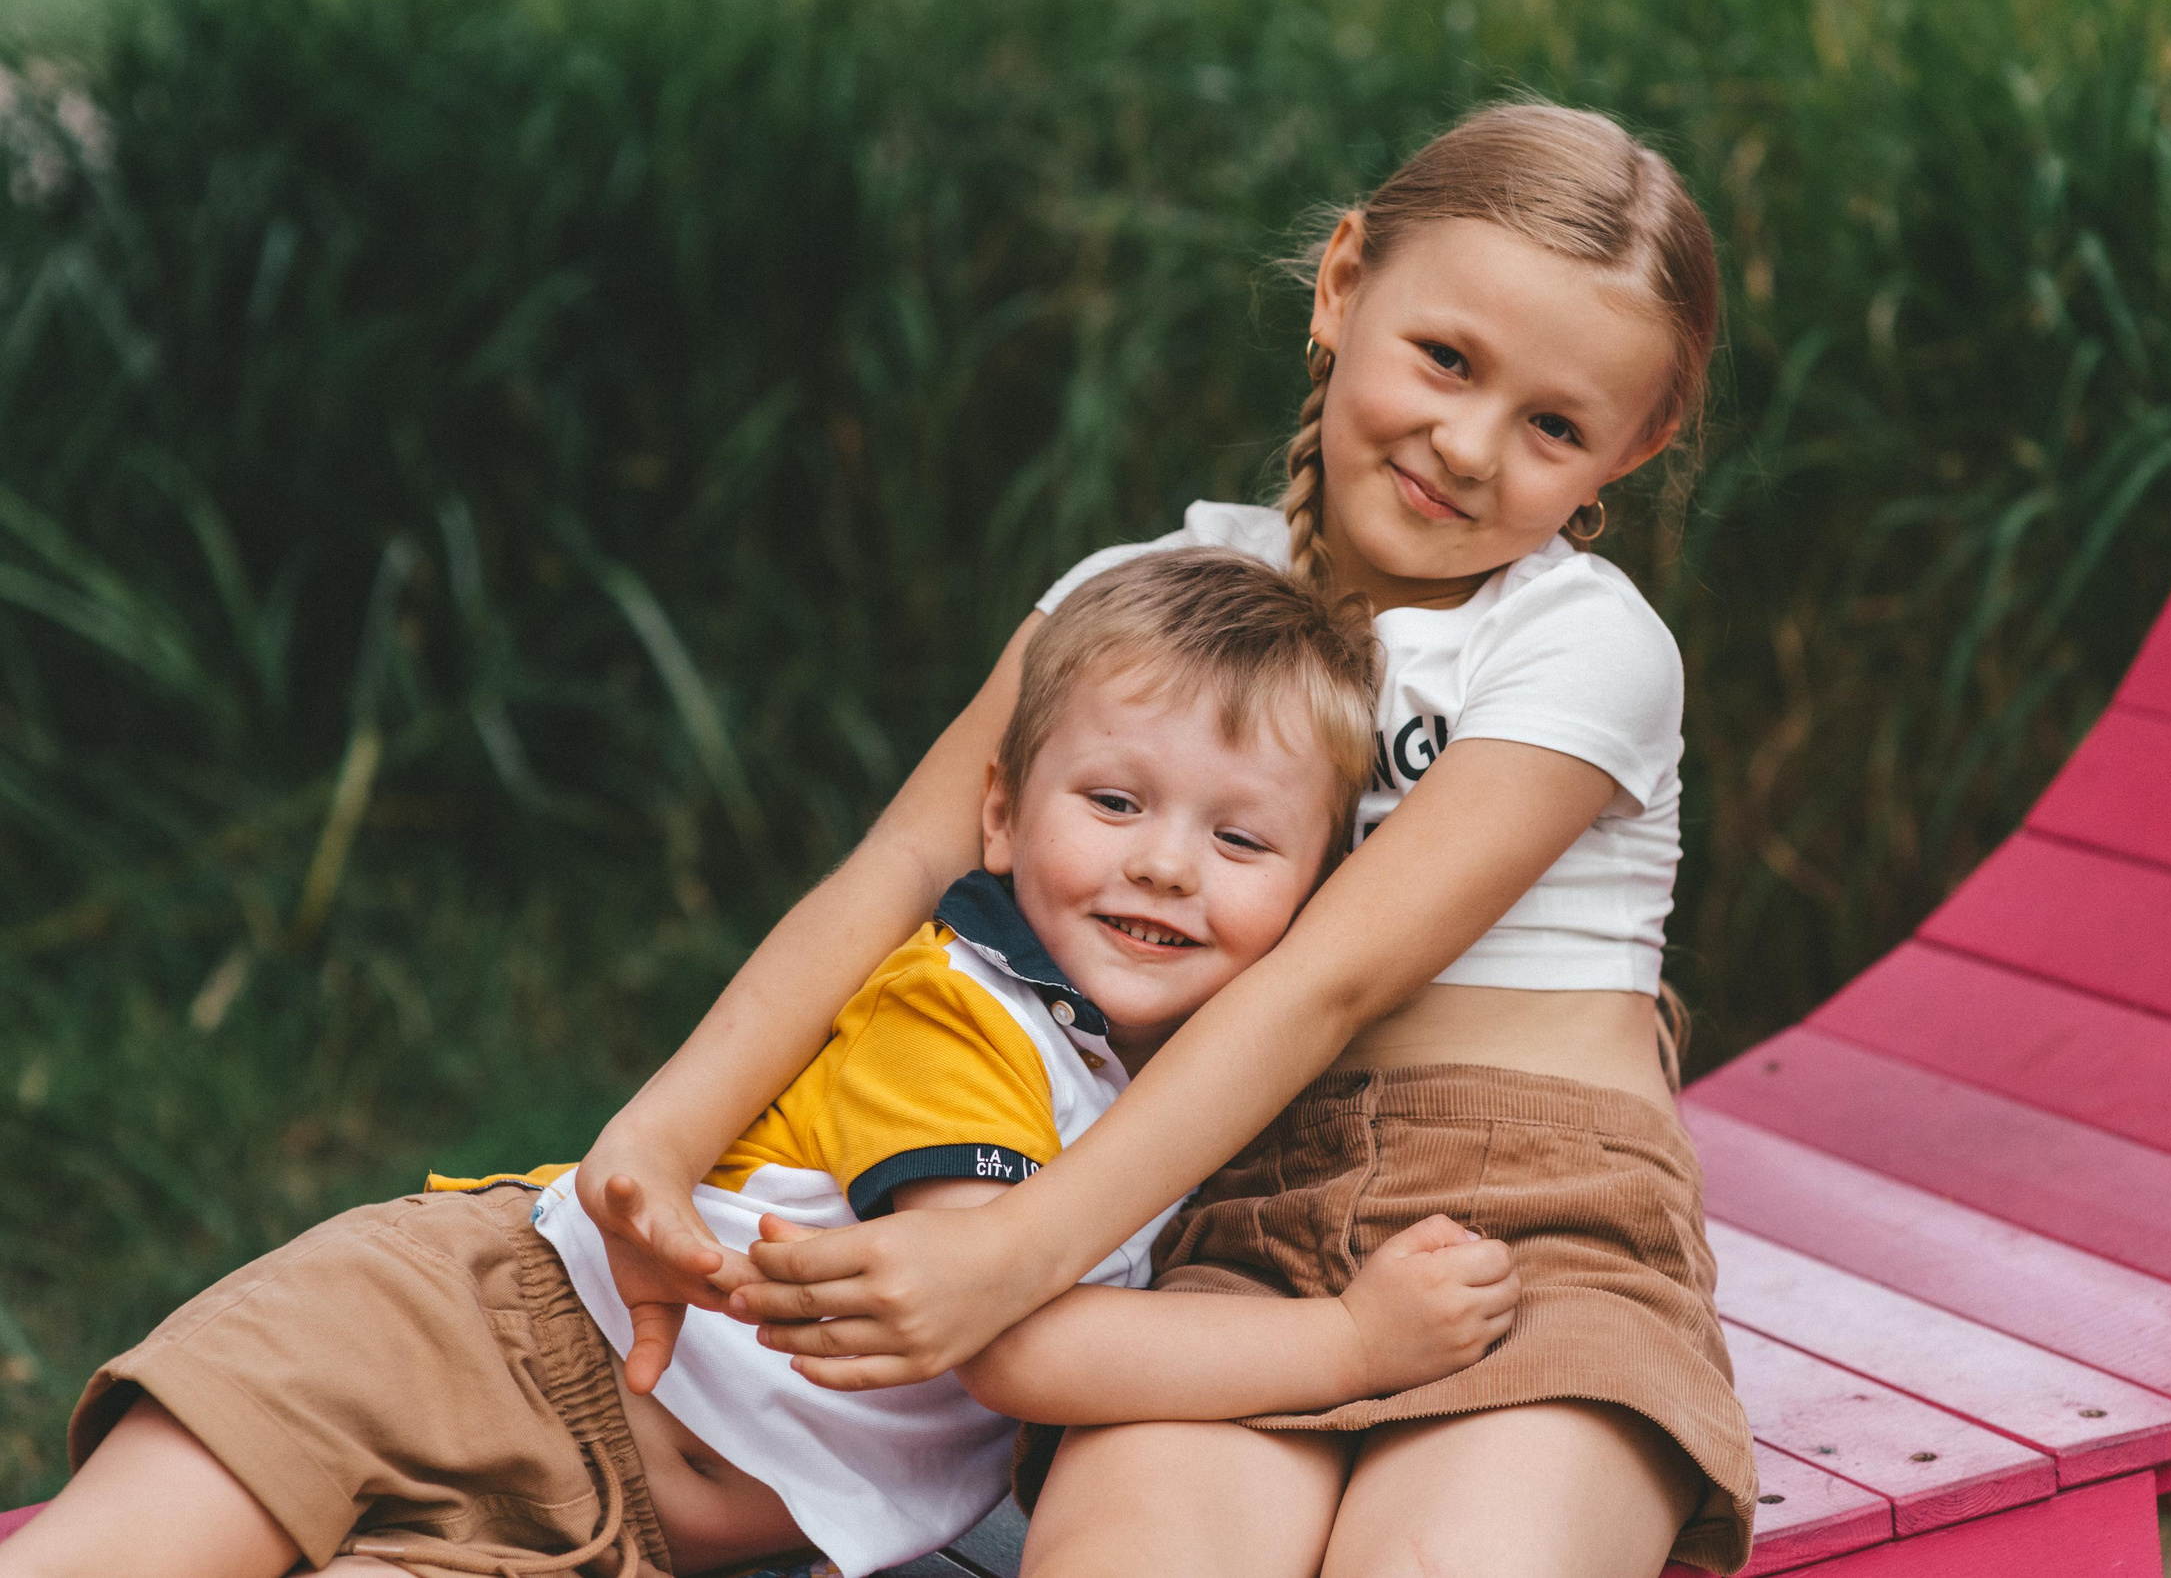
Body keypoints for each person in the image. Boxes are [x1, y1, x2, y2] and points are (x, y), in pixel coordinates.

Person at [577, 98, 1760, 1578]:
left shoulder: (1582, 645)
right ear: (1342, 286)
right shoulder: (1150, 603)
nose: (1466, 445)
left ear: (1631, 450)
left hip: (1533, 1231)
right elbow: (899, 871)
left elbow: (1320, 984)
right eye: (1446, 359)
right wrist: (659, 1141)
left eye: (1554, 427)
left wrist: (1019, 1251)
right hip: (1216, 1213)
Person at [2, 550, 1521, 1578]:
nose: (1168, 869)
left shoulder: (1157, 1096)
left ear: (1318, 886)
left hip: (614, 1530)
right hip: (474, 1333)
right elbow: (1011, 1343)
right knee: (122, 1556)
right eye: (1115, 802)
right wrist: (1354, 1345)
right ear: (997, 818)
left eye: (1240, 838)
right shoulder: (964, 1014)